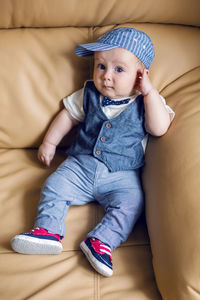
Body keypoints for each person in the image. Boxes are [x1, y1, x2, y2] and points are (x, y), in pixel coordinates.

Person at [11, 27, 175, 277]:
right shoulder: (87, 93)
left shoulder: (147, 101)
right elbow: (67, 116)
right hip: (80, 166)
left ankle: (101, 242)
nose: (106, 76)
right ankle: (47, 231)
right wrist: (49, 142)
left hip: (122, 175)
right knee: (54, 185)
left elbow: (159, 128)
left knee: (132, 204)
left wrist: (149, 92)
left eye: (119, 69)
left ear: (141, 75)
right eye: (101, 66)